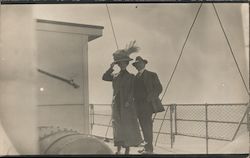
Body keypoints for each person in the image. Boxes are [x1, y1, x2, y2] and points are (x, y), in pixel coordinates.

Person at [102, 42, 143, 154]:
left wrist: (129, 102)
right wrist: (110, 68)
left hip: (127, 106)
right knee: (118, 127)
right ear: (118, 64)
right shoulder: (115, 76)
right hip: (116, 105)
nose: (122, 65)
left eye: (123, 63)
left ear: (126, 64)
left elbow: (132, 92)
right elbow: (104, 77)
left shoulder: (131, 77)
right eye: (120, 64)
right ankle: (118, 149)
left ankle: (127, 150)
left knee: (127, 127)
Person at [132, 56, 164, 154]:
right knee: (142, 126)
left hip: (147, 105)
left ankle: (149, 149)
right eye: (136, 64)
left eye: (139, 63)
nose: (138, 66)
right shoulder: (135, 77)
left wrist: (150, 98)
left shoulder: (152, 75)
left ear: (144, 64)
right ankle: (146, 147)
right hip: (137, 106)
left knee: (147, 126)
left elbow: (159, 88)